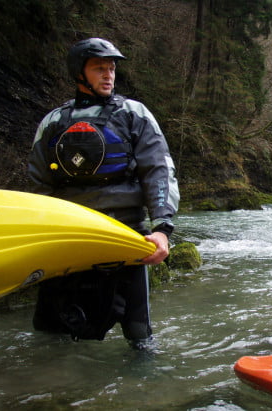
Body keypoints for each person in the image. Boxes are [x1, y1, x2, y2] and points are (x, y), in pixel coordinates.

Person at [28, 38, 179, 349]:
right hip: (69, 238)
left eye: (111, 69)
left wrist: (162, 229)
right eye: (99, 69)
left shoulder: (134, 114)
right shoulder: (54, 122)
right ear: (79, 73)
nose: (108, 75)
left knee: (140, 338)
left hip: (126, 236)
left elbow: (158, 170)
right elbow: (39, 186)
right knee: (48, 334)